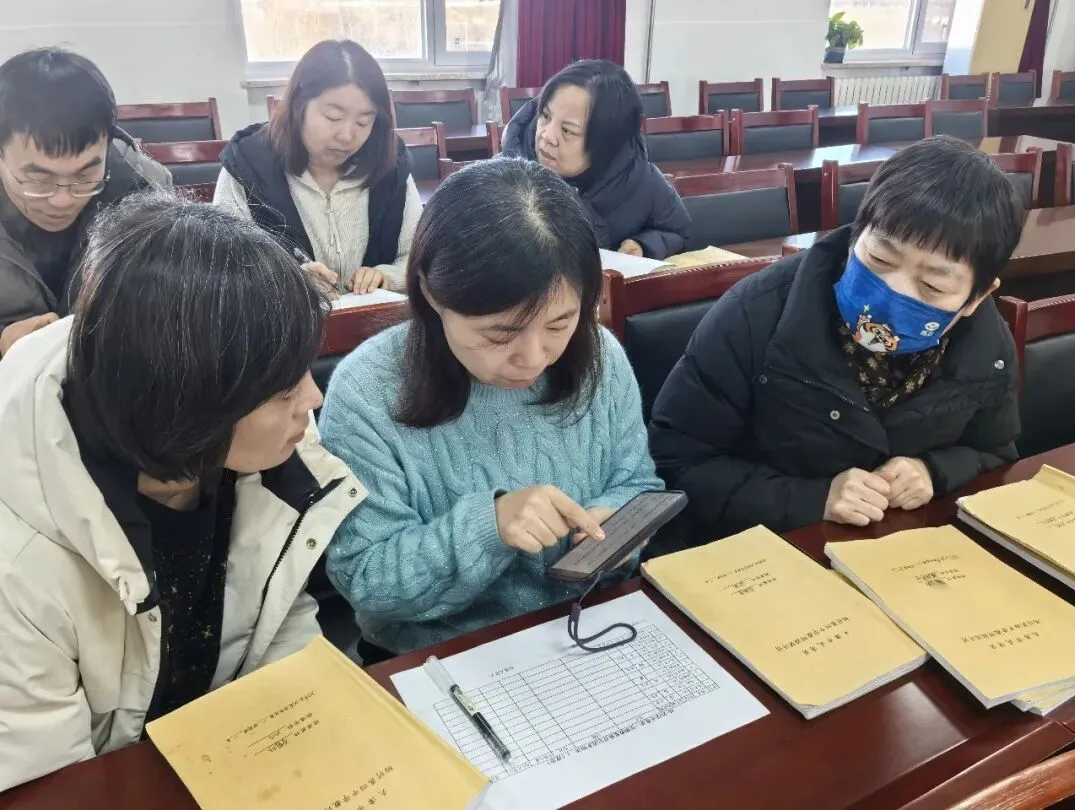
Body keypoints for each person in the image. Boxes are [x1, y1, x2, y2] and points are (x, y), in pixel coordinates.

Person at [0, 192, 366, 790]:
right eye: (283, 390)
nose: (314, 397)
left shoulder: (266, 451)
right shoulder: (17, 560)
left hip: (232, 762)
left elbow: (279, 613)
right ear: (187, 407)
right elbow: (50, 787)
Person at [319, 157, 663, 654]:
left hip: (591, 625)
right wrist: (491, 526)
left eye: (559, 324)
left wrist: (617, 525)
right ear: (431, 293)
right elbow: (367, 579)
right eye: (500, 333)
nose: (535, 358)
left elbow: (636, 481)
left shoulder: (599, 356)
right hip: (440, 654)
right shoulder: (368, 391)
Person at [648, 136, 1024, 550]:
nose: (891, 295)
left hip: (900, 551)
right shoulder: (756, 313)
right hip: (765, 551)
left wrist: (934, 471)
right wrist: (813, 499)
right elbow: (675, 463)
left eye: (932, 286)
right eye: (880, 260)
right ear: (853, 238)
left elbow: (995, 452)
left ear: (977, 298)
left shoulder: (987, 345)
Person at [0, 48, 172, 358]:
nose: (63, 200)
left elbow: (176, 310)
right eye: (39, 180)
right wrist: (3, 342)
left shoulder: (147, 191)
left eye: (86, 174)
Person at [215, 39, 421, 294]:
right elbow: (223, 274)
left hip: (374, 318)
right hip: (286, 320)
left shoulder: (391, 164)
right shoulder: (246, 167)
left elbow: (418, 259)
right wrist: (290, 282)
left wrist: (386, 277)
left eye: (363, 122)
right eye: (333, 117)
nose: (346, 136)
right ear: (299, 105)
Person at [502, 59, 690, 260]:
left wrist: (644, 245)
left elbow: (677, 232)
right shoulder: (504, 175)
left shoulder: (642, 182)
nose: (547, 136)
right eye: (545, 116)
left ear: (606, 143)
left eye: (567, 130)